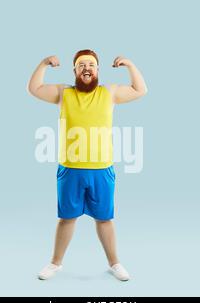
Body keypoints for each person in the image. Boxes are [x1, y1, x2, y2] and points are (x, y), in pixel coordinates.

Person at [27, 49, 147, 281]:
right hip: (70, 169)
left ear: (97, 70)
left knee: (104, 219)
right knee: (66, 218)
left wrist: (130, 65)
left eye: (91, 64)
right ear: (75, 71)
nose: (86, 68)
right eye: (81, 65)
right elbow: (34, 89)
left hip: (102, 169)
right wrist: (43, 63)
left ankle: (115, 263)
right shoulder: (64, 93)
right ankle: (55, 263)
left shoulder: (109, 93)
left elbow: (140, 90)